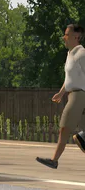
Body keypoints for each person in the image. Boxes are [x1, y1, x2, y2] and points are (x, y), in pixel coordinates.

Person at [37, 23, 85, 168]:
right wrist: (61, 92)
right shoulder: (70, 54)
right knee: (81, 134)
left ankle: (54, 160)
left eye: (67, 35)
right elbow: (70, 78)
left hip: (79, 95)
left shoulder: (81, 54)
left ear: (76, 37)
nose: (64, 37)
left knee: (64, 127)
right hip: (73, 94)